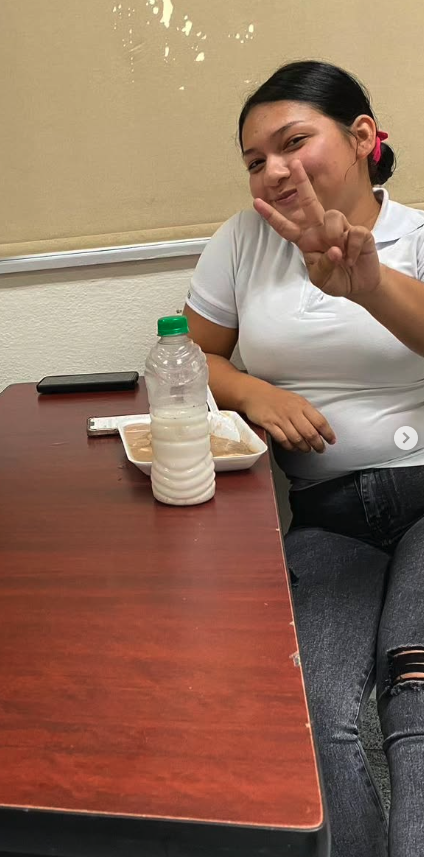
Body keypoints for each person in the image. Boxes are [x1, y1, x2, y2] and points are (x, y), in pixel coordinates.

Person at [184, 60, 424, 857]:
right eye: (255, 159)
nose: (273, 170)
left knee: (414, 697)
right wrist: (254, 392)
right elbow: (187, 359)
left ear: (360, 138)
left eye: (293, 143)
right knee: (318, 714)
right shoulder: (242, 241)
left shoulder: (417, 236)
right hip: (326, 516)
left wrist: (368, 284)